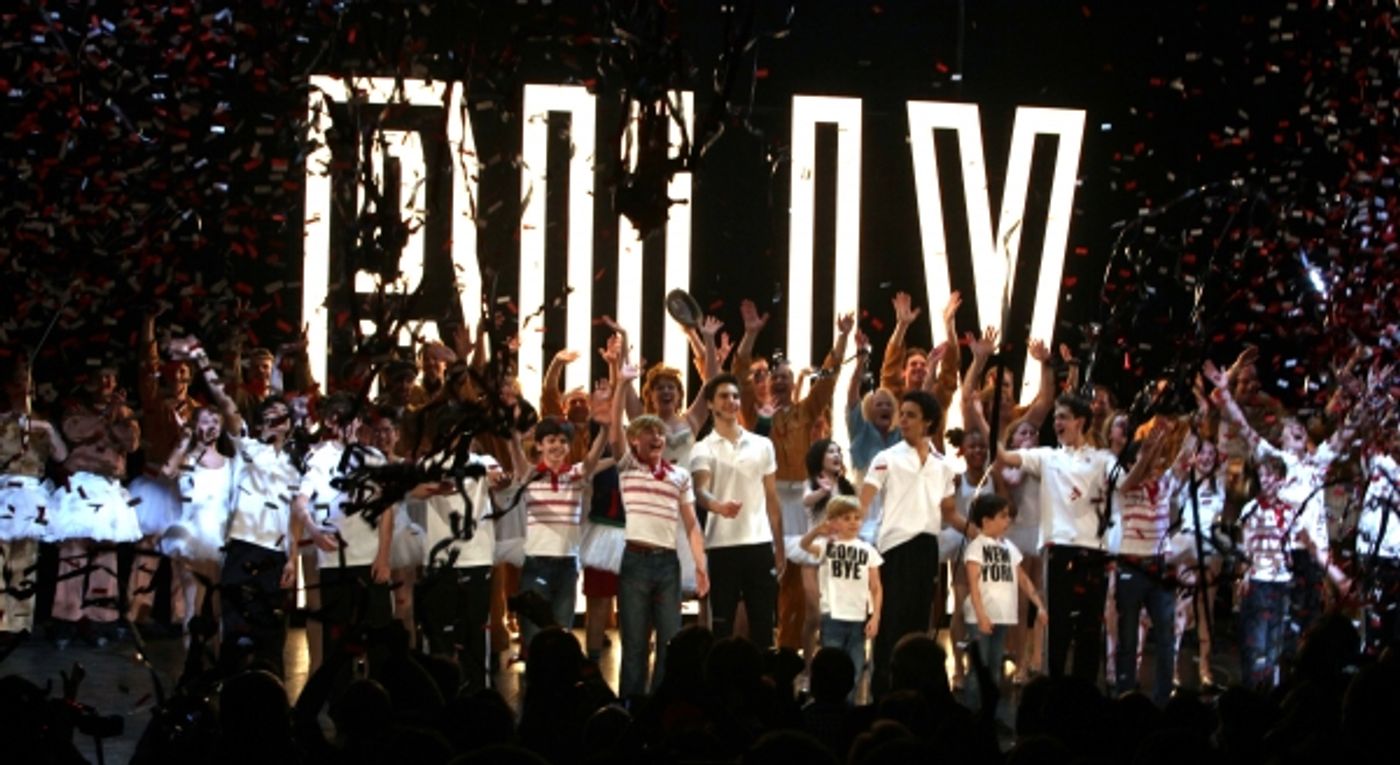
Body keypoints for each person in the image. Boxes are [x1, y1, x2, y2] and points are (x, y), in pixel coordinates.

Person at [994, 392, 1158, 685]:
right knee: (1058, 624)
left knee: (1089, 626)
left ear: (1080, 422)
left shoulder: (1102, 458)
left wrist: (1145, 457)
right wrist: (989, 421)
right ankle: (1056, 686)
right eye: (1056, 417)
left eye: (1063, 417)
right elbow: (1005, 456)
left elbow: (1127, 484)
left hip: (1093, 551)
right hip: (1059, 550)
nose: (1057, 422)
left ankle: (1084, 690)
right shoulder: (1046, 456)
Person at [733, 300, 853, 655]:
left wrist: (842, 340)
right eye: (776, 377)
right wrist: (750, 335)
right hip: (766, 503)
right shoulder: (754, 416)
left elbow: (828, 382)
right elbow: (739, 372)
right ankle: (750, 652)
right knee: (761, 578)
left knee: (796, 585)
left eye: (787, 376)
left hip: (799, 501)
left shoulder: (806, 412)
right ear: (768, 383)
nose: (782, 381)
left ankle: (787, 652)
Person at [610, 365, 710, 698]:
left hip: (668, 561)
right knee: (635, 643)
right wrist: (620, 378)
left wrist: (700, 565)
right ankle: (630, 706)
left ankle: (663, 704)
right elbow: (614, 436)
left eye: (659, 435)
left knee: (671, 642)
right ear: (636, 440)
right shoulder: (628, 469)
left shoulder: (679, 476)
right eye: (648, 434)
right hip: (636, 561)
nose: (656, 438)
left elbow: (693, 523)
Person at [860, 389, 962, 698]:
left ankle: (913, 690)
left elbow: (949, 513)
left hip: (926, 547)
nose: (901, 419)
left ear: (928, 422)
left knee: (919, 621)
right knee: (891, 621)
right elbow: (863, 503)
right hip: (894, 548)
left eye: (910, 415)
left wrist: (975, 529)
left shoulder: (943, 466)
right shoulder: (886, 458)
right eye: (901, 413)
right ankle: (883, 690)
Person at [295, 393, 394, 668]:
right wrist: (313, 531)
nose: (349, 425)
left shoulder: (374, 458)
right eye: (342, 419)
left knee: (378, 638)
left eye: (354, 419)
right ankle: (340, 702)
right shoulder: (319, 457)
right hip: (334, 562)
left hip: (369, 558)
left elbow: (387, 509)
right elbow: (301, 502)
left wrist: (384, 556)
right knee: (338, 641)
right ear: (331, 422)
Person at [47, 363, 141, 647]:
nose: (107, 383)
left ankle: (102, 619)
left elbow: (132, 442)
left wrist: (116, 417)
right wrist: (104, 416)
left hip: (109, 486)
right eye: (101, 377)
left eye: (111, 378)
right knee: (73, 552)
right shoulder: (77, 409)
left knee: (105, 555)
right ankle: (66, 618)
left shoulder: (124, 414)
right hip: (80, 484)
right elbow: (74, 432)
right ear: (90, 382)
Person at [690, 372, 784, 648]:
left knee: (763, 624)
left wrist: (778, 545)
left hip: (759, 543)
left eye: (734, 396)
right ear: (710, 404)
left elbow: (771, 498)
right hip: (722, 545)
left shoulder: (762, 444)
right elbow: (700, 489)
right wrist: (717, 505)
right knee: (722, 625)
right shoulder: (703, 448)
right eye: (723, 396)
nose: (731, 401)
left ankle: (765, 684)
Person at [505, 414, 610, 655]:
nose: (557, 446)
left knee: (562, 637)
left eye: (563, 441)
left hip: (567, 565)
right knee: (533, 638)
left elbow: (593, 458)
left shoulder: (576, 474)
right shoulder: (530, 475)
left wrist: (604, 430)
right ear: (539, 444)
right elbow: (516, 454)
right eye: (551, 440)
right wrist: (512, 433)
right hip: (536, 564)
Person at [218, 396, 302, 677]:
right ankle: (231, 692)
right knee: (237, 627)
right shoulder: (247, 448)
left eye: (282, 415)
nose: (277, 420)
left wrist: (293, 559)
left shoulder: (296, 462)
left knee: (272, 632)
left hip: (276, 554)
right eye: (270, 415)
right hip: (244, 546)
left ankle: (272, 693)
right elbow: (229, 411)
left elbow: (296, 515)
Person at [413, 443, 506, 692]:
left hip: (476, 558)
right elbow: (415, 490)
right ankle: (439, 697)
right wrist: (437, 486)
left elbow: (500, 479)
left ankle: (477, 694)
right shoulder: (429, 462)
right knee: (439, 634)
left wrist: (497, 478)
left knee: (475, 633)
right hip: (440, 559)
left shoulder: (485, 459)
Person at [962, 494, 1047, 710]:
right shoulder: (976, 547)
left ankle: (990, 713)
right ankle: (972, 713)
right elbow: (973, 584)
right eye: (1002, 516)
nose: (1007, 521)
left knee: (994, 667)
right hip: (982, 616)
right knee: (979, 667)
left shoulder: (1009, 547)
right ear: (986, 521)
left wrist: (1038, 604)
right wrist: (981, 615)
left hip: (1002, 615)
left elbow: (1022, 578)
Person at [0, 361, 66, 637]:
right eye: (18, 382)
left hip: (30, 494)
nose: (23, 387)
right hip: (4, 490)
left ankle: (18, 625)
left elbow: (62, 457)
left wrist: (48, 432)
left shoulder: (42, 422)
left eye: (27, 382)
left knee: (25, 560)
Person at [159, 405, 237, 639]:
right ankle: (191, 659)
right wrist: (184, 442)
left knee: (219, 602)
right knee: (192, 600)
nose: (210, 426)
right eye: (204, 421)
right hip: (192, 534)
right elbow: (166, 473)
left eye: (215, 421)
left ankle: (220, 658)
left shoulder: (231, 463)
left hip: (220, 535)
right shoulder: (187, 459)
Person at [798, 495, 882, 703]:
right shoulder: (828, 547)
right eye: (846, 518)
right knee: (831, 667)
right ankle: (829, 706)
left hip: (857, 618)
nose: (853, 522)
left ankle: (850, 707)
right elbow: (803, 544)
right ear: (833, 521)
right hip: (832, 615)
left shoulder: (868, 550)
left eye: (857, 518)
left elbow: (876, 587)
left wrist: (875, 617)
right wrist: (818, 530)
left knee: (855, 667)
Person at [1234, 455, 1305, 690]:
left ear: (1281, 480)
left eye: (1271, 475)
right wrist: (1243, 577)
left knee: (1276, 642)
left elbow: (1294, 548)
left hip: (1282, 582)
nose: (1265, 480)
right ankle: (1252, 694)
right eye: (1262, 475)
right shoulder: (1251, 508)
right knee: (1257, 643)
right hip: (1258, 581)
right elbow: (1244, 548)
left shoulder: (1291, 512)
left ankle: (1271, 691)